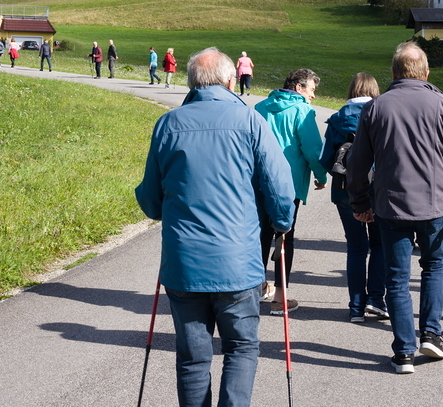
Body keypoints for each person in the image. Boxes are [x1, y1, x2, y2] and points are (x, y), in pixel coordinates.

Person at [135, 47, 296, 407]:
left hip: (184, 266)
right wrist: (282, 223)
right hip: (238, 263)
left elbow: (149, 202)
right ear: (230, 80)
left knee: (192, 358)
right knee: (241, 349)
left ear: (192, 83)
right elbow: (281, 187)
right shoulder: (251, 121)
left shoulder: (168, 125)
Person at [346, 42, 443, 374]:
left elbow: (357, 164)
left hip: (390, 206)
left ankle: (404, 352)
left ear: (393, 73)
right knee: (433, 268)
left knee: (397, 278)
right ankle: (431, 333)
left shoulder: (376, 108)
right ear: (426, 72)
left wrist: (360, 203)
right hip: (434, 206)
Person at [254, 68, 327, 315]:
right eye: (311, 90)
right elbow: (312, 148)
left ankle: (256, 289)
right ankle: (280, 299)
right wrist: (321, 174)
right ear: (298, 87)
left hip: (261, 181)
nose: (313, 96)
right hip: (289, 184)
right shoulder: (302, 111)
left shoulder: (260, 107)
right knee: (284, 236)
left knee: (261, 235)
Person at [319, 72, 387, 323]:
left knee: (356, 247)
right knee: (379, 244)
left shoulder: (337, 119)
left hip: (344, 190)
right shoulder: (382, 115)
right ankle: (376, 300)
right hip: (379, 190)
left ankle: (356, 307)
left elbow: (327, 159)